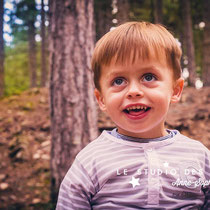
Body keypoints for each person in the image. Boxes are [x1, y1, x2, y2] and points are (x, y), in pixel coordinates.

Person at [56, 22, 210, 209]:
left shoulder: (199, 157)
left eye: (149, 77)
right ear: (101, 98)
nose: (134, 91)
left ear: (175, 90)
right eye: (118, 80)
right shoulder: (91, 161)